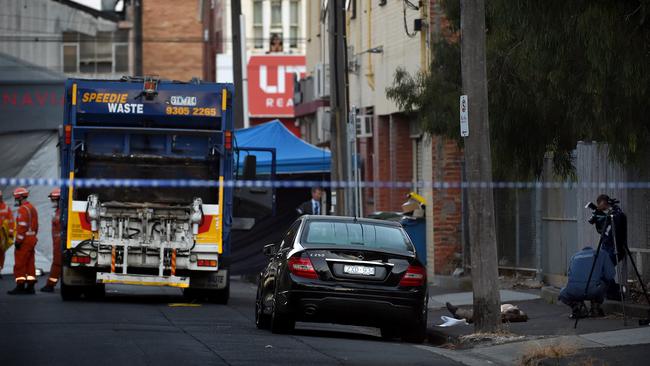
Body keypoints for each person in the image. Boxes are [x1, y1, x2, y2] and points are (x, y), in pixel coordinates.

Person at [559, 246, 615, 319]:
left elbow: (570, 276)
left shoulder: (574, 256)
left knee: (563, 293)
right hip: (594, 290)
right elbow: (610, 275)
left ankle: (578, 308)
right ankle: (595, 308)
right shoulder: (602, 253)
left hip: (573, 292)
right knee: (605, 282)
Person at [7, 187, 39, 295]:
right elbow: (36, 226)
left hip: (24, 240)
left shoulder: (22, 209)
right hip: (32, 239)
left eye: (16, 198)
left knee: (20, 264)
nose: (16, 201)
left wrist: (18, 241)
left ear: (20, 197)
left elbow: (22, 227)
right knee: (30, 263)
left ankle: (20, 285)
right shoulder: (32, 208)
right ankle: (30, 286)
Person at [41, 188, 61, 293]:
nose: (52, 202)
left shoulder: (62, 213)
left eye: (54, 200)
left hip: (59, 243)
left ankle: (50, 285)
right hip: (57, 242)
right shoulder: (58, 212)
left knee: (57, 263)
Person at [0, 190, 16, 279]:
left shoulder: (6, 208)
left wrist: (10, 232)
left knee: (1, 253)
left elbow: (11, 221)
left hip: (2, 235)